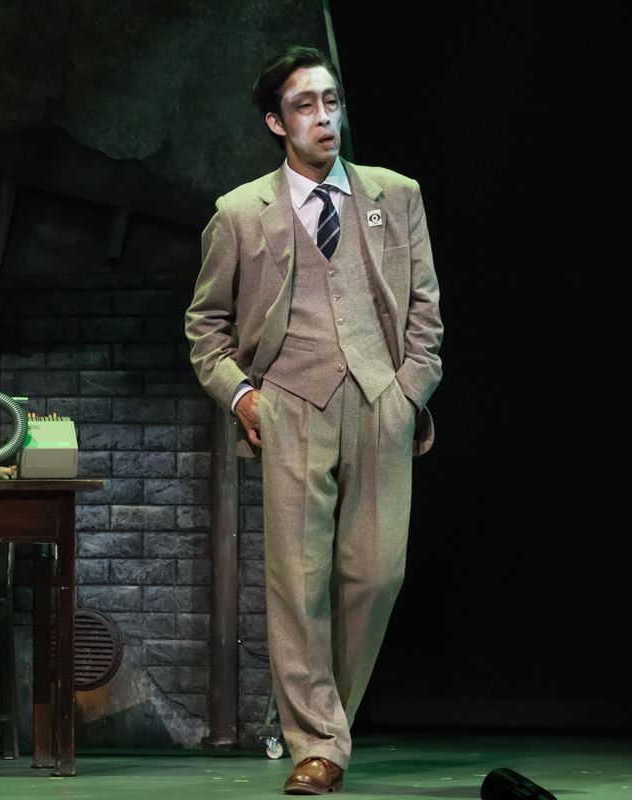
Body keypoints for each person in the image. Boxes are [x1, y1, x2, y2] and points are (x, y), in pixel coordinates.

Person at [185, 46, 443, 794]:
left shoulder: (396, 194)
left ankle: (326, 723)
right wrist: (244, 396)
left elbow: (425, 309)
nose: (324, 118)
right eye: (305, 106)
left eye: (331, 101)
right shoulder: (240, 213)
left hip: (381, 400)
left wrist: (408, 393)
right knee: (299, 584)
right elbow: (205, 326)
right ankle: (319, 745)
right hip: (290, 405)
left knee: (376, 574)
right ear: (277, 122)